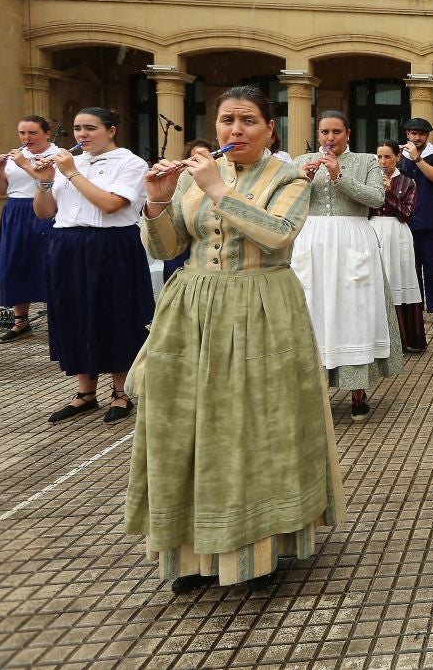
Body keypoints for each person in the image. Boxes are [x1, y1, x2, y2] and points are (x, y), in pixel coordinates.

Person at [127, 85, 345, 595]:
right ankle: (192, 551)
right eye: (227, 120)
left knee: (256, 424)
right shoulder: (196, 177)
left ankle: (260, 548)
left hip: (263, 307)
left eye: (248, 121)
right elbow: (170, 246)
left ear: (271, 129)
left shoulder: (289, 178)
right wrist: (158, 203)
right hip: (194, 310)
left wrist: (218, 190)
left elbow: (278, 233)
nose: (235, 130)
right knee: (188, 424)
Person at [13, 108, 153, 423]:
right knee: (72, 313)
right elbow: (44, 213)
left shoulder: (130, 163)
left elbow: (111, 204)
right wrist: (45, 182)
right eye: (77, 128)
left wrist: (71, 173)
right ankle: (85, 391)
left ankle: (122, 391)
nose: (82, 135)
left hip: (110, 244)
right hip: (66, 244)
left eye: (90, 128)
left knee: (114, 313)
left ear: (111, 130)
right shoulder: (68, 163)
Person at [292, 112, 402, 418]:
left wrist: (340, 175)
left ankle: (358, 389)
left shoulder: (366, 161)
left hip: (353, 239)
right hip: (311, 242)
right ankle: (314, 388)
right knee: (313, 311)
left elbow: (376, 198)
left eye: (336, 132)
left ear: (348, 133)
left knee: (354, 312)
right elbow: (287, 203)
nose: (330, 138)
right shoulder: (300, 161)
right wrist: (303, 178)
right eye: (324, 132)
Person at [0, 116, 60, 342]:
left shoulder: (58, 155)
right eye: (22, 133)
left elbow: (50, 182)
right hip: (15, 210)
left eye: (32, 133)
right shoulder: (15, 156)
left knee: (49, 263)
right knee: (14, 262)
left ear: (47, 133)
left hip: (46, 207)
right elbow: (0, 190)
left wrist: (25, 164)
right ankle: (21, 320)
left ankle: (59, 319)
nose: (26, 138)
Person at [372, 140, 426, 353]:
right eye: (379, 157)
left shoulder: (408, 182)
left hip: (397, 233)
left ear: (397, 157)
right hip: (374, 231)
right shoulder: (370, 180)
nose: (383, 161)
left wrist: (389, 192)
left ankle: (404, 338)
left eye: (387, 157)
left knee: (399, 278)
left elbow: (406, 213)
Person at [398, 118, 433, 325]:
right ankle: (415, 309)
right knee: (410, 268)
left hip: (431, 221)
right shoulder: (399, 157)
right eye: (413, 133)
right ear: (407, 135)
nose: (417, 137)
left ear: (427, 136)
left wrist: (417, 159)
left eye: (421, 134)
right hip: (405, 221)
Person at [161, 139, 214, 281]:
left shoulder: (216, 180)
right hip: (180, 241)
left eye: (204, 156)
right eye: (195, 157)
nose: (199, 161)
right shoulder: (181, 178)